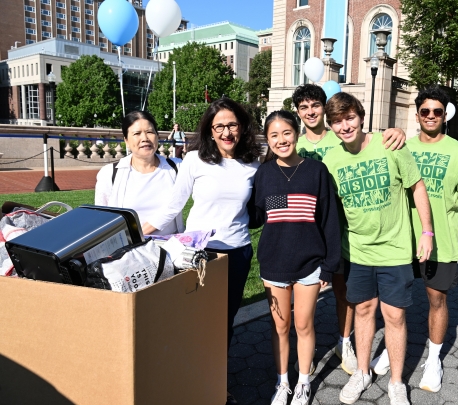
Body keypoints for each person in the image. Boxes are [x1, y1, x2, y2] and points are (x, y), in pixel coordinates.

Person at [143, 98, 261, 405]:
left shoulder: (252, 163)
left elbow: (262, 206)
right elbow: (173, 205)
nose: (226, 132)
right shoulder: (195, 160)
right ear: (209, 129)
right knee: (192, 319)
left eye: (232, 124)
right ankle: (186, 378)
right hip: (198, 253)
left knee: (224, 322)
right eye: (219, 125)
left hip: (236, 253)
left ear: (242, 127)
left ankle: (216, 382)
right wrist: (142, 230)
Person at [322, 92, 433, 405]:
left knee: (394, 316)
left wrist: (427, 231)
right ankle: (362, 371)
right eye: (337, 122)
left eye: (349, 118)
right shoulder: (332, 161)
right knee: (363, 310)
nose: (345, 126)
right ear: (331, 126)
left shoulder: (390, 144)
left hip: (395, 249)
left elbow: (417, 186)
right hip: (356, 251)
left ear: (360, 116)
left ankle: (397, 382)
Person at [369, 85, 458, 394]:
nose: (431, 116)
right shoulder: (400, 144)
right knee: (394, 303)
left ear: (445, 116)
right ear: (416, 115)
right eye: (425, 111)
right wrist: (390, 130)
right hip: (400, 240)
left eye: (437, 112)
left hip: (441, 242)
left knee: (437, 299)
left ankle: (433, 359)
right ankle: (392, 352)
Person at [292, 84, 407, 376]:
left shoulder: (341, 136)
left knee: (345, 293)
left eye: (315, 105)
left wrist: (398, 131)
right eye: (303, 108)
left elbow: (375, 144)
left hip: (345, 233)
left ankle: (345, 343)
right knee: (308, 293)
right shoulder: (296, 144)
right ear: (298, 113)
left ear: (324, 108)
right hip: (309, 231)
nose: (310, 112)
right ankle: (308, 348)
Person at [251, 110, 340, 405]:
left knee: (303, 325)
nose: (281, 140)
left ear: (296, 133)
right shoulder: (263, 174)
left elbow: (329, 221)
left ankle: (303, 382)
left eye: (286, 133)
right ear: (267, 140)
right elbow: (255, 215)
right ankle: (282, 382)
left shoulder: (316, 171)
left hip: (310, 265)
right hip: (274, 263)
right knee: (280, 327)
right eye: (273, 135)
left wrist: (329, 265)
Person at [95, 110, 184, 235]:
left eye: (149, 132)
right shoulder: (109, 174)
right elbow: (100, 220)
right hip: (128, 251)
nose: (145, 138)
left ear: (157, 136)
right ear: (126, 140)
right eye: (137, 133)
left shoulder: (177, 168)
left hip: (170, 250)